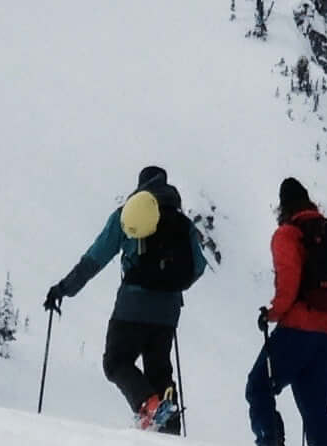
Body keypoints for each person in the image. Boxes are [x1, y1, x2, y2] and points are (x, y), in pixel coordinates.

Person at [45, 164, 206, 431]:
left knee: (116, 361)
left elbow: (95, 259)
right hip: (167, 311)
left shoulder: (129, 215)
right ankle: (170, 428)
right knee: (159, 371)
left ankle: (150, 406)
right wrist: (170, 286)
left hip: (132, 306)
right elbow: (198, 267)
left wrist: (64, 289)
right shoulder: (182, 223)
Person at [244, 176, 327, 446]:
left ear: (284, 206)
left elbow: (288, 283)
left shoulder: (288, 235)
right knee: (318, 411)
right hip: (326, 335)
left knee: (258, 386)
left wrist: (272, 313)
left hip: (296, 331)